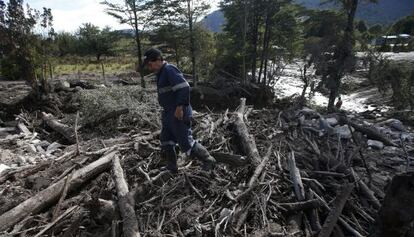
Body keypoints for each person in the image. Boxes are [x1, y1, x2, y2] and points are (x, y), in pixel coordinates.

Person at [142, 48, 216, 173]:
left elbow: (184, 88)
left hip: (178, 111)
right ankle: (172, 166)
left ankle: (208, 160)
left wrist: (179, 107)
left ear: (159, 60)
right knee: (166, 139)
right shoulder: (161, 73)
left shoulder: (169, 69)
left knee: (185, 142)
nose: (150, 68)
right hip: (168, 112)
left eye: (150, 64)